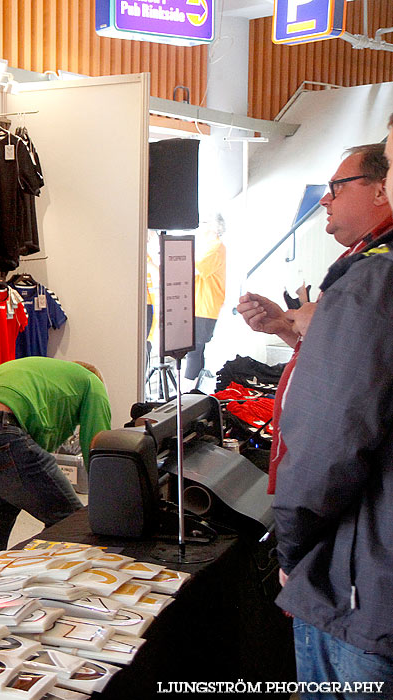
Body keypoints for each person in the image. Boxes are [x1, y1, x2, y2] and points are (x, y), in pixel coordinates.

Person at [272, 127, 393, 695]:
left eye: (336, 184)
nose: (324, 197)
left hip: (365, 594)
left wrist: (292, 549)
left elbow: (329, 442)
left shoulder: (375, 280)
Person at [237, 143, 393, 494]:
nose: (325, 200)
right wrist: (285, 327)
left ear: (380, 190)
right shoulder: (359, 259)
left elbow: (358, 392)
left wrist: (302, 513)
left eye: (337, 187)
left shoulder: (376, 273)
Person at [0, 357, 111, 564]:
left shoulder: (41, 373)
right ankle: (38, 579)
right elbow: (97, 448)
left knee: (4, 504)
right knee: (69, 520)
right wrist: (107, 503)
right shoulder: (92, 382)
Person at [183, 214, 226, 384]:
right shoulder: (211, 247)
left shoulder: (215, 248)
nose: (202, 226)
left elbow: (196, 268)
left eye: (206, 223)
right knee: (196, 349)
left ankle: (189, 386)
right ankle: (194, 387)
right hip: (201, 304)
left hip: (205, 306)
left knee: (195, 348)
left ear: (214, 228)